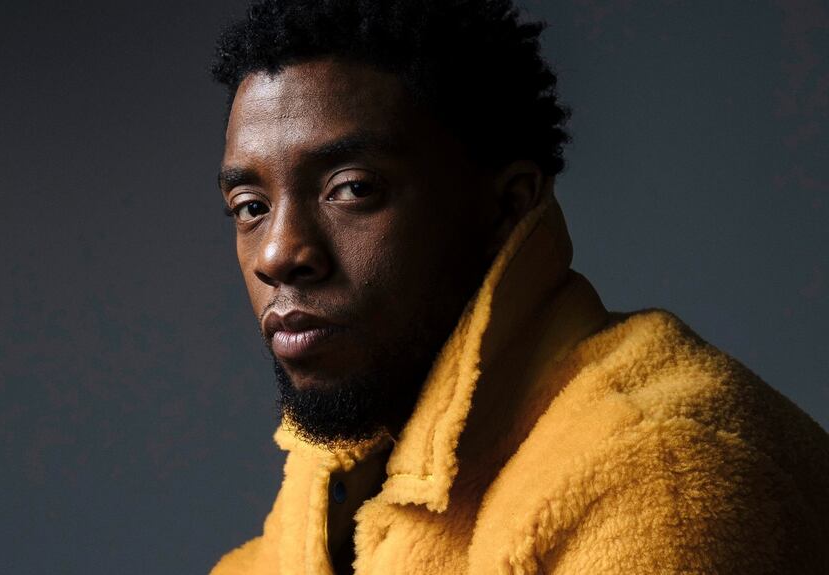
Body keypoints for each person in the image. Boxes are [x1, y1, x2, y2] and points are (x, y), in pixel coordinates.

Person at [207, 1, 829, 573]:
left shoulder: (656, 469)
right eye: (250, 205)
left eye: (353, 188)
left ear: (506, 207)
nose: (278, 254)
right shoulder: (331, 487)